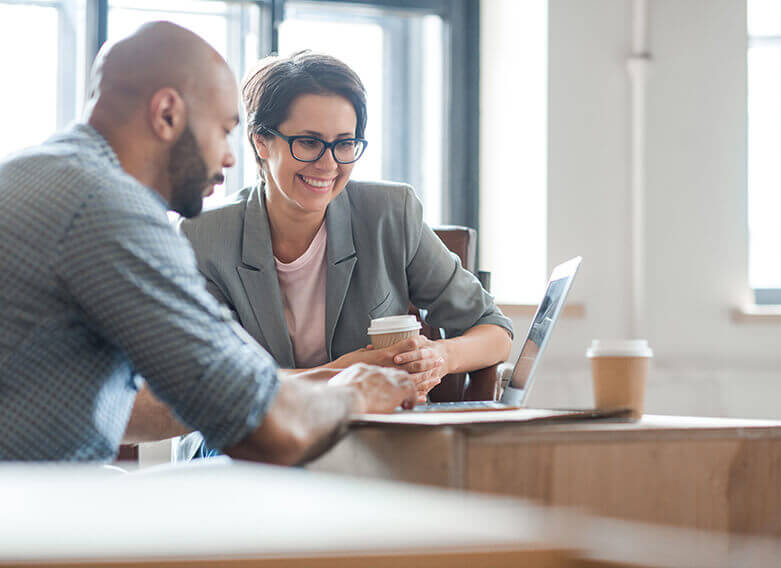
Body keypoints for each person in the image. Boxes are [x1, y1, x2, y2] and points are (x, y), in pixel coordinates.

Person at [0, 22, 415, 463]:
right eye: (223, 129)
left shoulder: (36, 173)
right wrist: (352, 393)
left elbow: (148, 407)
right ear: (167, 114)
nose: (230, 157)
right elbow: (268, 433)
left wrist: (310, 384)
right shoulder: (108, 208)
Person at [178, 52, 514, 409]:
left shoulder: (389, 214)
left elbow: (493, 329)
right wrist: (341, 375)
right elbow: (215, 381)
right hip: (246, 435)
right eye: (308, 142)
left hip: (372, 437)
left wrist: (441, 356)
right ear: (261, 141)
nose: (329, 164)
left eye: (344, 143)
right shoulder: (203, 239)